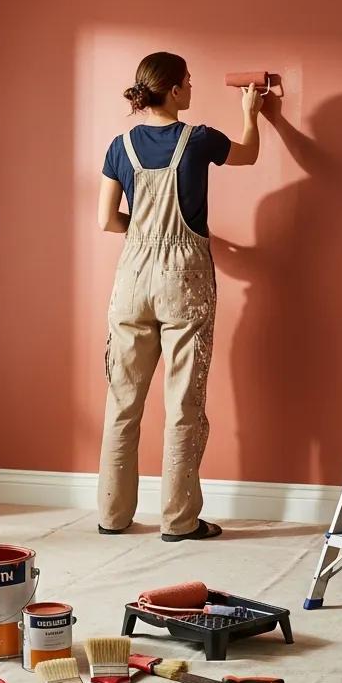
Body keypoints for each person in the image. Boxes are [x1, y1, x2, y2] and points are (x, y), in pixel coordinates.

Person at [97, 51, 262, 540]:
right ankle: (179, 520)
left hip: (130, 281)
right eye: (188, 81)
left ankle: (112, 515)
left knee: (122, 403)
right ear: (174, 90)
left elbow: (108, 220)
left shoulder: (118, 145)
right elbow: (248, 153)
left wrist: (145, 232)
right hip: (182, 282)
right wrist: (250, 114)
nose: (191, 88)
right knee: (184, 404)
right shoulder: (199, 139)